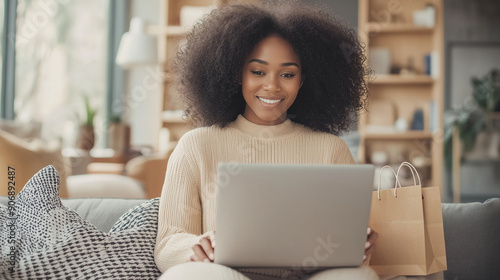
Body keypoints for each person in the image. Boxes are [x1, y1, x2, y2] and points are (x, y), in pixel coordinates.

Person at [154, 2, 379, 279]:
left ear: (303, 80)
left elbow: (347, 247)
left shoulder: (331, 150)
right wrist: (195, 247)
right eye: (258, 72)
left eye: (287, 74)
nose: (272, 86)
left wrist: (360, 246)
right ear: (237, 73)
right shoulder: (196, 147)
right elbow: (167, 243)